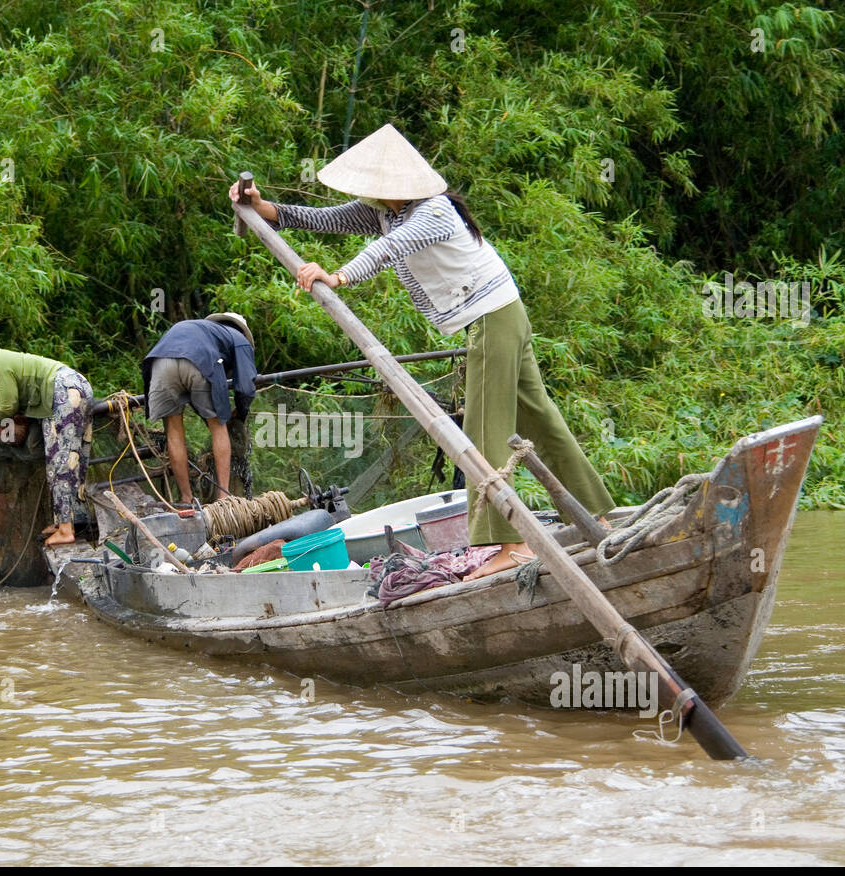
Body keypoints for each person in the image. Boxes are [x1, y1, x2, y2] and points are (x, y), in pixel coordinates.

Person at [228, 123, 615, 580]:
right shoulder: (390, 211)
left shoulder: (432, 212)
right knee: (540, 418)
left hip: (492, 318)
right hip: (502, 314)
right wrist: (264, 207)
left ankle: (508, 543)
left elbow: (390, 249)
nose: (368, 194)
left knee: (484, 432)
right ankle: (596, 515)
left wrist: (338, 277)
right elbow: (327, 218)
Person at [0, 326, 95, 547]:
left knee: (62, 462)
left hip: (64, 392)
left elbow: (9, 406)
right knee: (73, 458)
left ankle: (66, 530)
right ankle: (69, 523)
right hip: (72, 387)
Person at [141, 313, 257, 506]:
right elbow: (245, 387)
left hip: (159, 364)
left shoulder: (201, 329)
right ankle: (224, 497)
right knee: (218, 427)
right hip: (199, 361)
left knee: (174, 433)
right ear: (243, 332)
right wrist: (239, 415)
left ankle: (186, 498)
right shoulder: (239, 340)